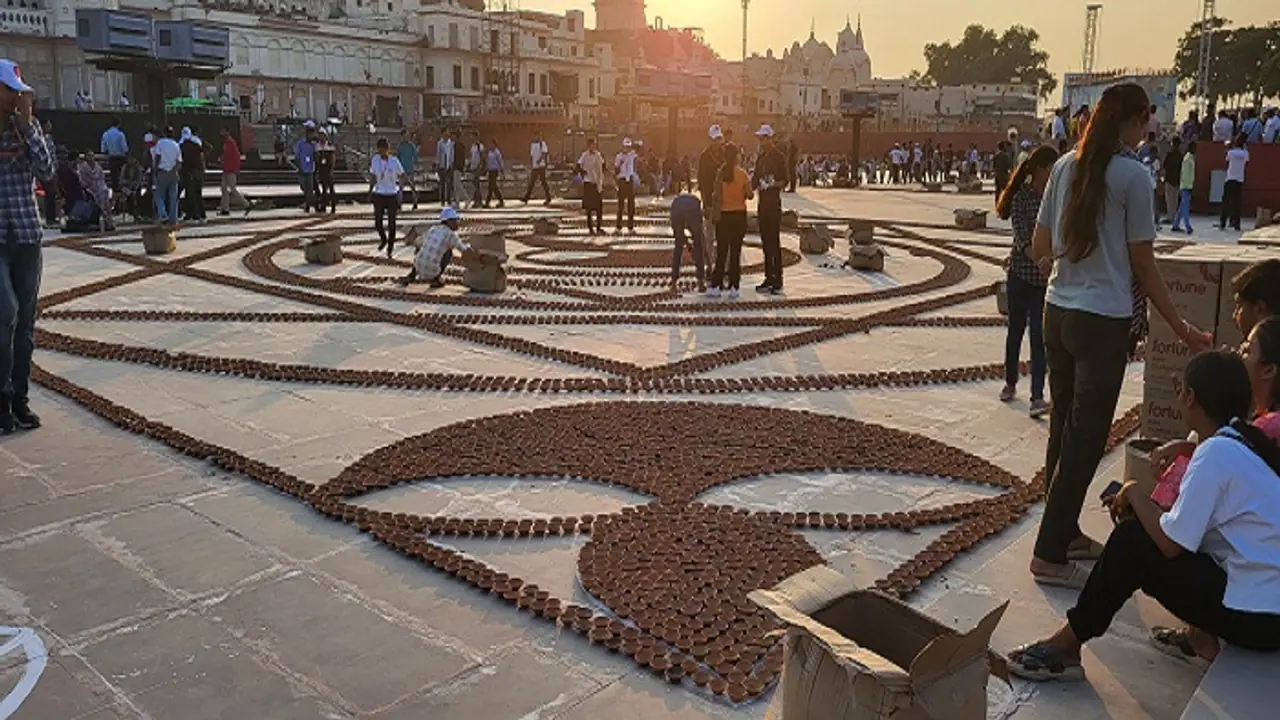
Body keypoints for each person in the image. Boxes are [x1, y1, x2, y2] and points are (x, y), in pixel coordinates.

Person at [1028, 83, 1211, 589]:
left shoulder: (1065, 166)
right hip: (1101, 322)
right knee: (1085, 441)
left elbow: (1040, 244)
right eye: (1146, 119)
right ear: (1133, 121)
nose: (1148, 127)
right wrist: (1181, 327)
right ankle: (1048, 553)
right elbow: (1144, 265)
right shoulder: (1131, 174)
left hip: (1057, 313)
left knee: (1064, 429)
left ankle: (1061, 532)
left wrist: (1071, 268)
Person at [1008, 349, 1280, 681]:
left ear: (1190, 398)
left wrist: (1134, 492)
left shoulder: (1217, 453)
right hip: (1266, 606)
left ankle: (1066, 646)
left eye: (1180, 389)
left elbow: (1170, 545)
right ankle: (1201, 636)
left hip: (1260, 618)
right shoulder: (1242, 441)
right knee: (1162, 529)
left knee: (1131, 541)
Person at [0, 58, 55, 433]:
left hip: (27, 234)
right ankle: (1, 398)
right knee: (6, 314)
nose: (16, 97)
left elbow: (47, 171)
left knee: (25, 325)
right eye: (9, 90)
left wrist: (28, 124)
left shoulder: (25, 129)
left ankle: (19, 398)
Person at [997, 145, 1058, 418]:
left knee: (1039, 337)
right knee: (1015, 331)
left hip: (1042, 281)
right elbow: (1023, 238)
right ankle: (1010, 381)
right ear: (1041, 169)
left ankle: (1036, 396)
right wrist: (1041, 261)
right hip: (1021, 275)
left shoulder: (1052, 198)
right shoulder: (1021, 198)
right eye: (1050, 171)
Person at [708, 143, 752, 300]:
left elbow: (716, 196)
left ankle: (715, 286)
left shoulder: (720, 173)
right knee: (735, 252)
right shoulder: (743, 174)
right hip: (739, 216)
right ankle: (734, 286)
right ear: (737, 156)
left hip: (724, 217)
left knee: (721, 252)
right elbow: (750, 194)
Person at [753, 124, 788, 295]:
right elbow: (754, 182)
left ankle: (778, 278)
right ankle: (768, 276)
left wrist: (773, 185)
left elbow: (785, 180)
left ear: (769, 138)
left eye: (763, 138)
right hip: (762, 205)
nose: (761, 141)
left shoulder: (779, 157)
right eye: (760, 138)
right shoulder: (760, 159)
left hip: (773, 204)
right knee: (765, 243)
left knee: (774, 241)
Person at [398, 208, 473, 288]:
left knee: (424, 248)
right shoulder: (451, 235)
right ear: (448, 221)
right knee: (448, 252)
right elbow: (464, 250)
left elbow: (417, 242)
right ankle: (435, 279)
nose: (457, 223)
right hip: (432, 271)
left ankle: (411, 276)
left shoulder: (433, 229)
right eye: (455, 220)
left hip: (418, 267)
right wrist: (478, 256)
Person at [369, 137, 406, 258]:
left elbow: (402, 176)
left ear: (387, 149)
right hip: (379, 194)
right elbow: (373, 176)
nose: (381, 152)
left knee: (392, 224)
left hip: (391, 194)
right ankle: (383, 239)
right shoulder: (375, 160)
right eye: (379, 150)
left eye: (383, 150)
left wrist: (401, 190)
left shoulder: (394, 161)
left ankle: (390, 248)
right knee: (378, 222)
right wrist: (370, 190)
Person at [697, 125, 726, 265]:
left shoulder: (725, 154)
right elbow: (702, 182)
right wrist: (706, 203)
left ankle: (722, 264)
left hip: (725, 201)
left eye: (719, 139)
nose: (717, 142)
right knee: (709, 235)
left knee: (723, 235)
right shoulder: (704, 157)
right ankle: (709, 264)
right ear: (710, 139)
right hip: (710, 200)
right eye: (714, 139)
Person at [669, 192, 706, 293]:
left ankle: (673, 283)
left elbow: (679, 235)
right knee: (698, 245)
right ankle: (701, 281)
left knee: (678, 247)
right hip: (690, 210)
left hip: (677, 210)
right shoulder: (696, 205)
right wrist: (692, 247)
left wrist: (687, 243)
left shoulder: (676, 203)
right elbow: (699, 235)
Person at [151, 126, 182, 226]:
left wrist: (155, 171)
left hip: (162, 171)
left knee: (159, 196)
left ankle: (163, 214)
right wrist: (173, 171)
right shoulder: (176, 145)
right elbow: (179, 162)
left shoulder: (160, 143)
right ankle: (173, 219)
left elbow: (158, 157)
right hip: (173, 173)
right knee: (173, 197)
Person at [77, 153, 113, 231]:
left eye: (92, 155)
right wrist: (89, 184)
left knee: (104, 192)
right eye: (89, 155)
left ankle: (106, 217)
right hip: (88, 187)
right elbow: (82, 180)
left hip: (99, 186)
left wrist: (100, 185)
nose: (91, 157)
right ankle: (100, 214)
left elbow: (101, 178)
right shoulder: (83, 168)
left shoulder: (98, 166)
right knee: (94, 195)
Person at [1219, 136, 1249, 232]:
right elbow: (1246, 162)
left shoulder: (1231, 152)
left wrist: (1229, 148)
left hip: (1230, 178)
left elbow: (1226, 163)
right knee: (1237, 202)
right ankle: (1236, 224)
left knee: (1226, 202)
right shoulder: (1245, 153)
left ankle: (1222, 223)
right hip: (1239, 179)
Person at [218, 127, 249, 216]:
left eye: (223, 131)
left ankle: (246, 204)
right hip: (226, 169)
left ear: (227, 132)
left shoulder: (230, 143)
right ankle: (225, 209)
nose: (221, 132)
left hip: (230, 170)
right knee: (223, 189)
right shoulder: (226, 143)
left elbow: (235, 157)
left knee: (232, 188)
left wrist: (234, 168)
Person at [178, 126, 206, 224]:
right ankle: (200, 214)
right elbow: (201, 157)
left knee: (190, 194)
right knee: (197, 193)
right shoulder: (196, 145)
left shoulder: (181, 146)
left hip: (187, 173)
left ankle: (193, 214)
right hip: (198, 172)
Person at [577, 136, 605, 235]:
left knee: (599, 208)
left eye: (594, 144)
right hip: (588, 183)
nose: (593, 146)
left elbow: (602, 166)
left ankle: (598, 227)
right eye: (592, 144)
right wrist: (582, 172)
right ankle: (590, 228)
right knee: (589, 208)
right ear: (588, 145)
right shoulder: (584, 155)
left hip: (596, 183)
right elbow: (578, 165)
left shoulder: (598, 155)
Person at [614, 138, 638, 234]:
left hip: (630, 181)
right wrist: (620, 163)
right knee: (620, 205)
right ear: (622, 146)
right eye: (625, 146)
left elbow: (639, 147)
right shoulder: (619, 156)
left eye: (628, 147)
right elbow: (616, 169)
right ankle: (618, 227)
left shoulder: (632, 155)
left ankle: (630, 227)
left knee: (631, 206)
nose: (627, 148)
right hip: (622, 181)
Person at [1171, 141, 1196, 234]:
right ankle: (1188, 226)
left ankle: (1175, 225)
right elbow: (1185, 175)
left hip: (1187, 185)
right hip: (1186, 186)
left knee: (1182, 207)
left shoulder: (1190, 158)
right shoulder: (1187, 159)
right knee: (1186, 207)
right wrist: (1188, 186)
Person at [523, 131, 551, 205]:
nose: (538, 137)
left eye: (539, 136)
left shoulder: (542, 144)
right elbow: (532, 155)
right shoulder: (533, 144)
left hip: (541, 166)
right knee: (532, 182)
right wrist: (531, 163)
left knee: (543, 182)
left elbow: (544, 153)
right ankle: (526, 197)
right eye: (537, 136)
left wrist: (540, 160)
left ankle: (548, 197)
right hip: (535, 166)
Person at [100, 116, 128, 191]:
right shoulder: (120, 134)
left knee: (114, 179)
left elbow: (103, 149)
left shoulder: (105, 134)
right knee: (122, 178)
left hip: (111, 158)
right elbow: (125, 149)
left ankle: (115, 195)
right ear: (119, 124)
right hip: (121, 158)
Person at [293, 126, 317, 213]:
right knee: (303, 187)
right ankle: (312, 202)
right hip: (302, 169)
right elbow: (297, 156)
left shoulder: (313, 145)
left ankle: (308, 204)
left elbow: (315, 156)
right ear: (307, 134)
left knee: (310, 188)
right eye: (311, 134)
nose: (312, 136)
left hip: (310, 170)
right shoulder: (300, 144)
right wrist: (299, 167)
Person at [315, 128, 336, 214]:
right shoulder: (317, 146)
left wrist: (331, 169)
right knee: (323, 188)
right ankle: (323, 206)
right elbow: (316, 158)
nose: (321, 137)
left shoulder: (330, 145)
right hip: (321, 169)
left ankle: (333, 206)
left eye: (323, 135)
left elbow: (333, 158)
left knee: (331, 188)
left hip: (328, 168)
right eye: (320, 135)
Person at [396, 129, 419, 210]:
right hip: (402, 171)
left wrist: (415, 166)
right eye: (405, 136)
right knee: (400, 189)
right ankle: (399, 204)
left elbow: (415, 157)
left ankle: (415, 203)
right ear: (402, 136)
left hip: (410, 170)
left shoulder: (411, 145)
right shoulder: (400, 146)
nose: (406, 137)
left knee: (412, 188)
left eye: (407, 135)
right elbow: (397, 158)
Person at [1162, 139, 1183, 225]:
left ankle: (1170, 216)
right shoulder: (1180, 155)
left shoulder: (1170, 155)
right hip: (1177, 180)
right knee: (1175, 199)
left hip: (1169, 179)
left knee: (1169, 199)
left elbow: (1165, 166)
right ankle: (1174, 216)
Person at [435, 130, 455, 208]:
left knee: (449, 184)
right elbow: (438, 154)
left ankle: (449, 199)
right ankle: (443, 200)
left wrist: (452, 163)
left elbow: (452, 154)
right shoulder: (440, 143)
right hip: (442, 166)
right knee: (442, 184)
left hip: (449, 165)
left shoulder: (451, 143)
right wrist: (437, 164)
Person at [466, 131, 485, 209]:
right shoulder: (473, 146)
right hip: (473, 168)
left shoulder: (479, 146)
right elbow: (471, 157)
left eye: (472, 136)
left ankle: (478, 201)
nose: (471, 138)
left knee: (476, 185)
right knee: (475, 185)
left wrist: (480, 166)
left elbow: (482, 156)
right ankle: (477, 201)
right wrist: (468, 165)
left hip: (477, 168)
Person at [484, 139, 504, 208]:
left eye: (492, 144)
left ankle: (500, 201)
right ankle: (488, 202)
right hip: (490, 170)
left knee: (493, 186)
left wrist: (502, 171)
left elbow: (500, 162)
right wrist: (486, 169)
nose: (491, 145)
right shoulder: (489, 152)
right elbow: (488, 161)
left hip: (495, 171)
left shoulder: (497, 152)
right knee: (491, 187)